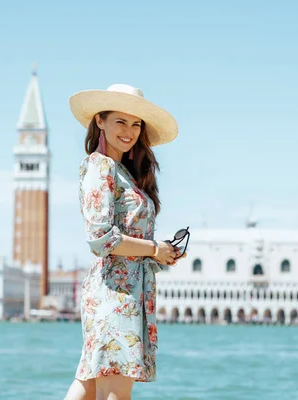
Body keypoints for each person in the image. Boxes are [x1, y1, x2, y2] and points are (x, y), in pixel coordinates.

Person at [64, 84, 187, 400]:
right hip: (114, 294)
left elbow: (125, 238)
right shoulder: (100, 165)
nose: (129, 131)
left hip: (126, 290)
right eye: (121, 121)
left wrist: (161, 254)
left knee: (90, 385)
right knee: (114, 388)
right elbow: (100, 239)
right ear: (100, 121)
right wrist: (153, 249)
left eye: (136, 124)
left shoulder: (124, 173)